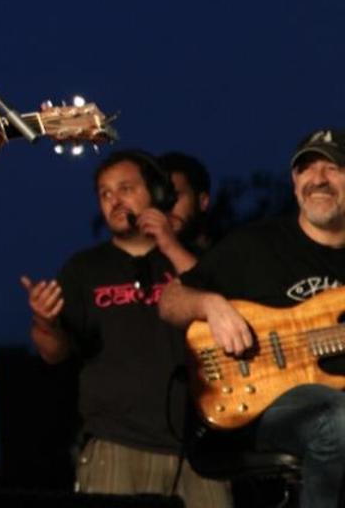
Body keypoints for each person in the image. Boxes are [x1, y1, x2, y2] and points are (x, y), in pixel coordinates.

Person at [19, 150, 230, 505]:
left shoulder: (189, 256)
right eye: (105, 194)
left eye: (126, 189)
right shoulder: (83, 269)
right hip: (116, 443)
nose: (115, 200)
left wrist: (168, 244)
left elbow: (226, 304)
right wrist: (44, 321)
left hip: (200, 446)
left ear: (157, 194)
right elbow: (54, 354)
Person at [159, 128, 345, 508]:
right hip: (253, 410)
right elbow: (170, 301)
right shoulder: (254, 245)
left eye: (333, 168)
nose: (318, 179)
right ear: (294, 181)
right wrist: (211, 305)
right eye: (306, 169)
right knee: (338, 419)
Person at [159, 151, 215, 252]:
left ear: (203, 201)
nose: (166, 205)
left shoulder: (232, 251)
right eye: (159, 197)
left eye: (175, 196)